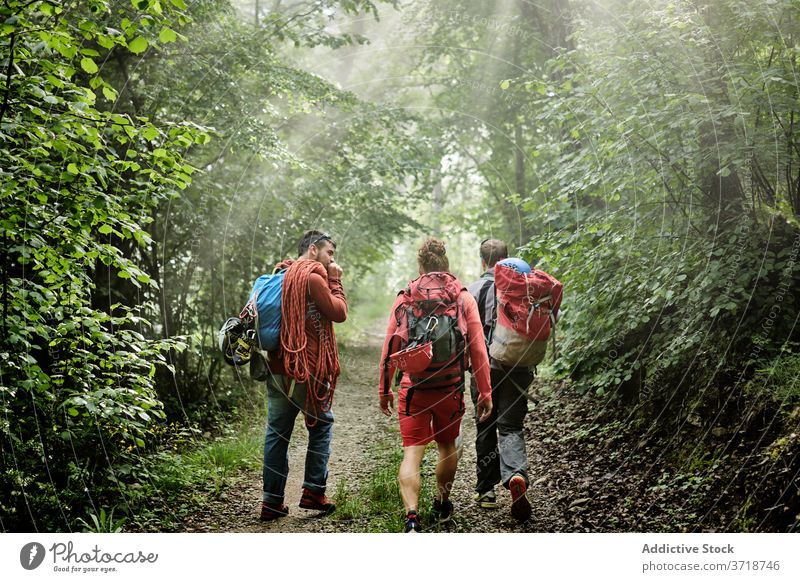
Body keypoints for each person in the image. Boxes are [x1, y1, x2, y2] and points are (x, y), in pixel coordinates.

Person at [379, 238, 493, 533]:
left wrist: (384, 388)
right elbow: (479, 349)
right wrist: (485, 392)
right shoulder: (462, 298)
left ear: (421, 266)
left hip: (414, 388)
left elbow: (390, 346)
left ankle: (412, 518)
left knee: (412, 452)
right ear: (446, 266)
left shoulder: (406, 298)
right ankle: (442, 504)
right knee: (446, 447)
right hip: (450, 388)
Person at [259, 230, 347, 521]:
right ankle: (313, 491)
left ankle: (271, 501)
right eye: (329, 253)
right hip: (306, 369)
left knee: (277, 433)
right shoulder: (312, 278)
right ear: (313, 250)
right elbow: (338, 312)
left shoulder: (279, 275)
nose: (332, 259)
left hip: (276, 368)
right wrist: (334, 279)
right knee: (322, 425)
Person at [466, 238, 534, 522]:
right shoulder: (525, 286)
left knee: (485, 425)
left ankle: (486, 492)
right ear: (508, 258)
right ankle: (516, 474)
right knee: (511, 426)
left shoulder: (473, 290)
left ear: (483, 261)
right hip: (518, 367)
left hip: (485, 369)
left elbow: (464, 334)